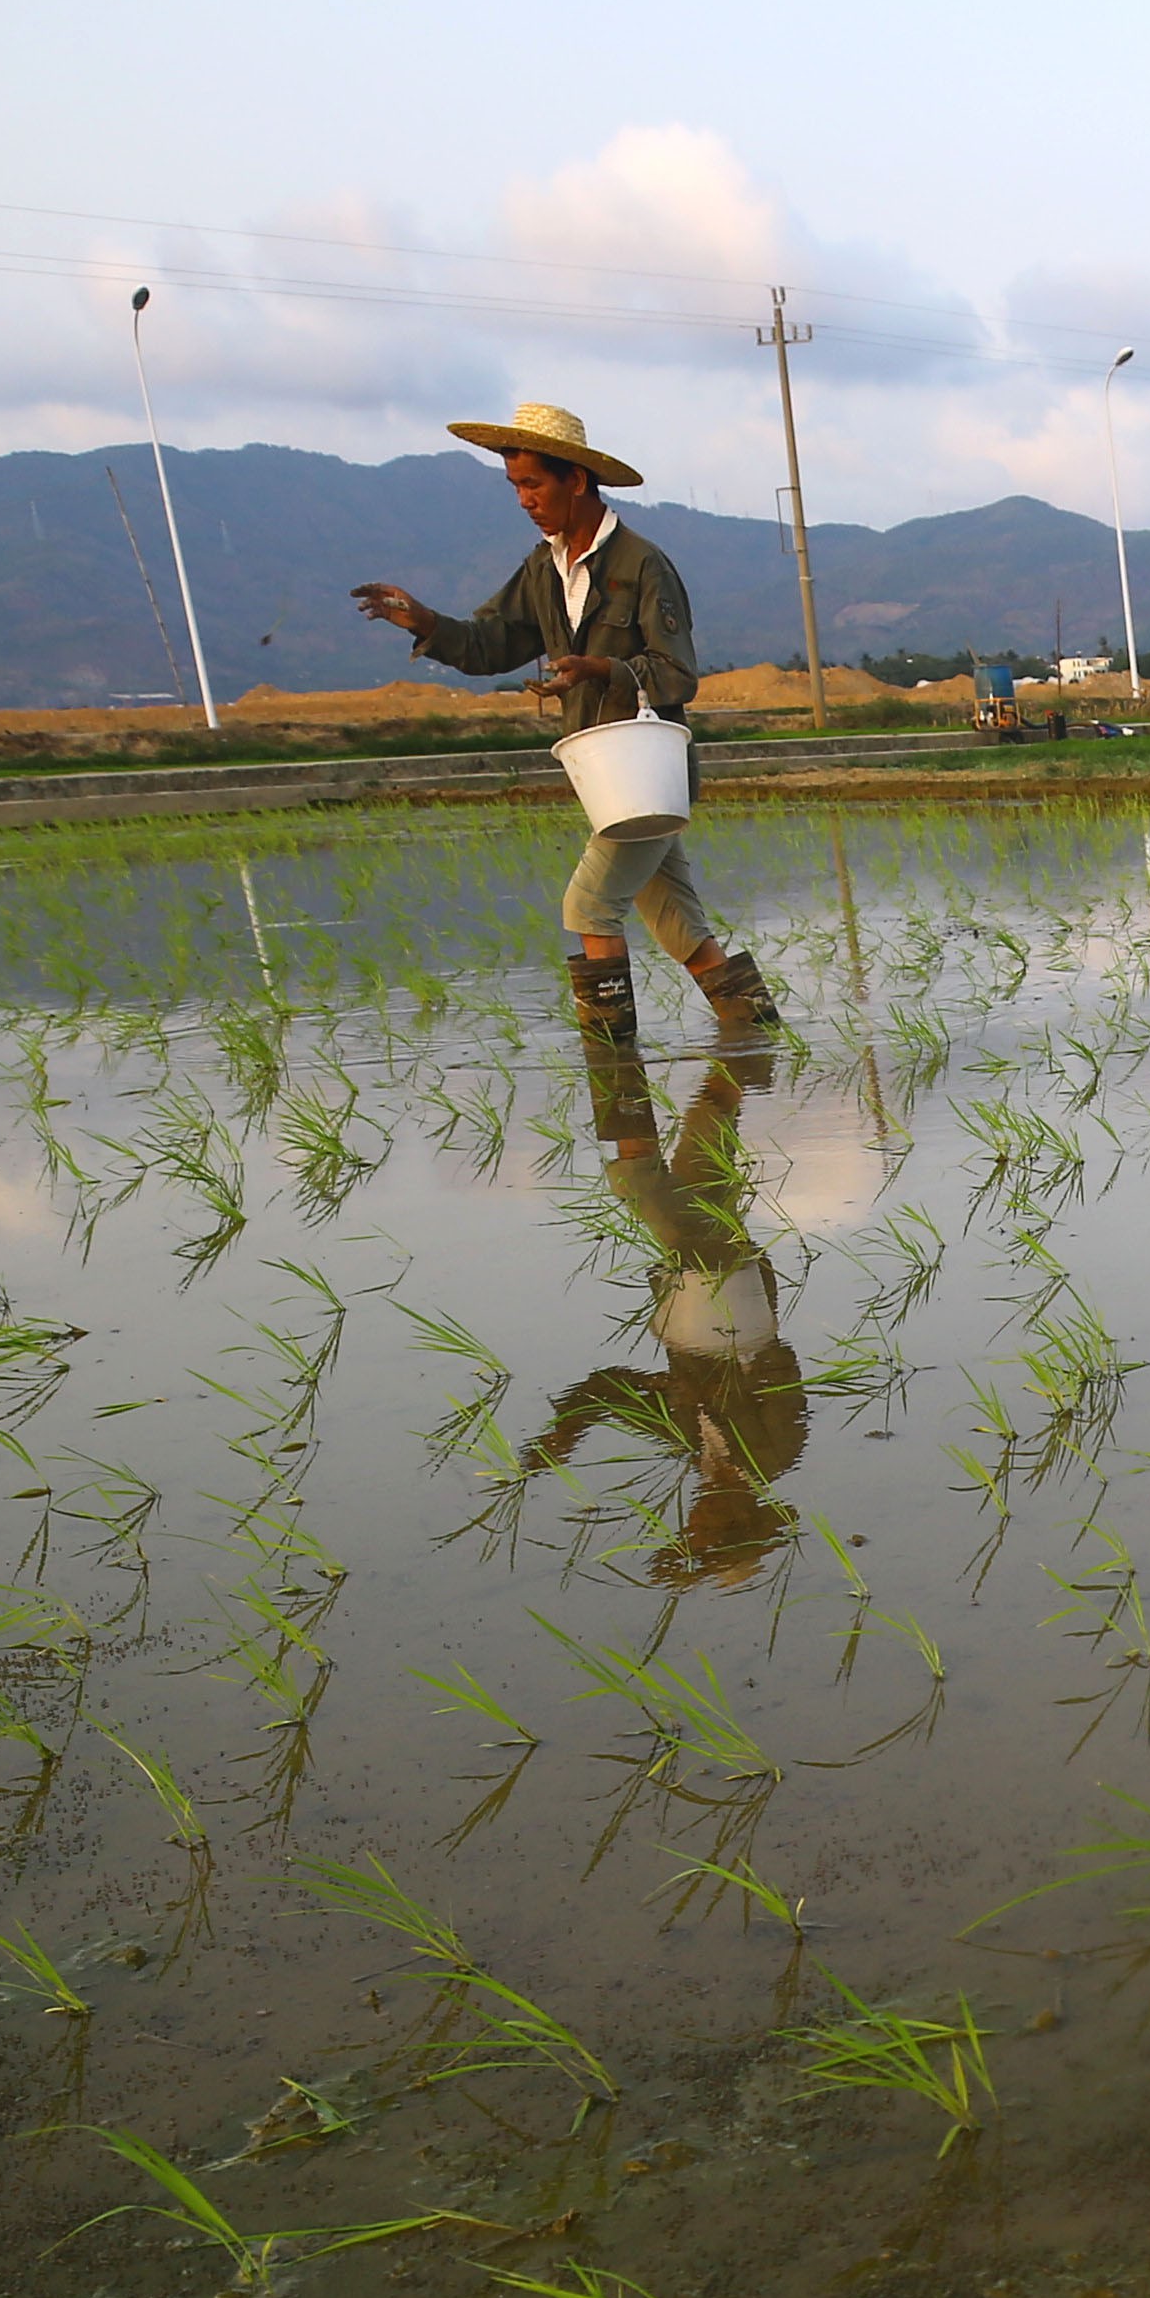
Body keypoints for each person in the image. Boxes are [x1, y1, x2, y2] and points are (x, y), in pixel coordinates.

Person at [351, 401, 780, 1046]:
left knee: (587, 907)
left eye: (533, 484)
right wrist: (426, 623)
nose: (524, 499)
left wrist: (603, 669)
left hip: (649, 777)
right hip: (609, 781)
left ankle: (616, 1077)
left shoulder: (641, 565)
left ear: (575, 480)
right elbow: (492, 644)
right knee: (679, 928)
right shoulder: (543, 569)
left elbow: (677, 674)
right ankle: (763, 1040)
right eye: (515, 486)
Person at [514, 1026, 806, 1588]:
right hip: (733, 1305)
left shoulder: (692, 1447)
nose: (691, 1524)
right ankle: (617, 1061)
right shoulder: (770, 1455)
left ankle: (742, 1046)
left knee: (707, 1143)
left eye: (690, 1531)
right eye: (701, 1532)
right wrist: (720, 1377)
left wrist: (562, 1437)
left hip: (692, 1305)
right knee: (641, 1184)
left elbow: (606, 1387)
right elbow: (783, 1369)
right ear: (738, 1519)